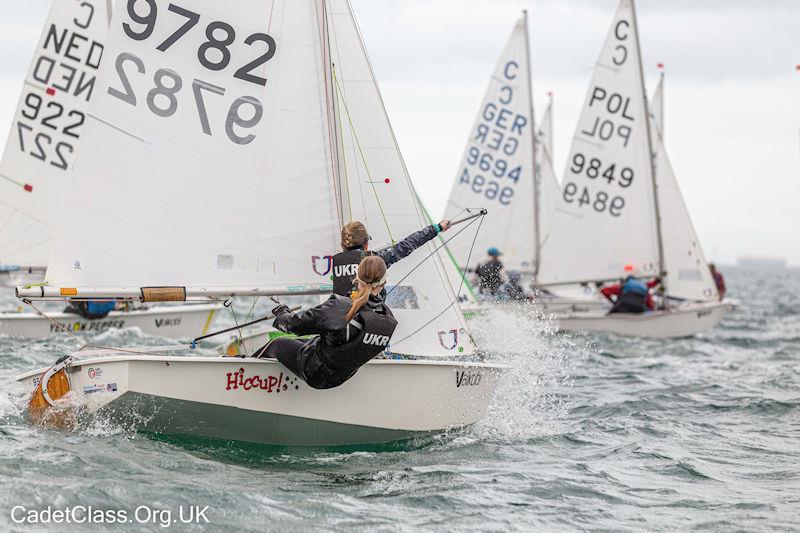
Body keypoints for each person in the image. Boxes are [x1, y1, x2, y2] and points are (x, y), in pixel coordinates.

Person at [256, 256, 398, 390]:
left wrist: (282, 314)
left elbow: (296, 325)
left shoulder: (341, 306)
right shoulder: (387, 318)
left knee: (276, 344)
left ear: (357, 278)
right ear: (383, 283)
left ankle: (239, 376)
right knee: (306, 341)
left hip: (315, 373)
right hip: (342, 376)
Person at [331, 220, 451, 296]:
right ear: (366, 244)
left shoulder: (335, 261)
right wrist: (437, 228)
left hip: (339, 318)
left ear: (343, 244)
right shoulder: (373, 260)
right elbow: (406, 245)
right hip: (367, 321)